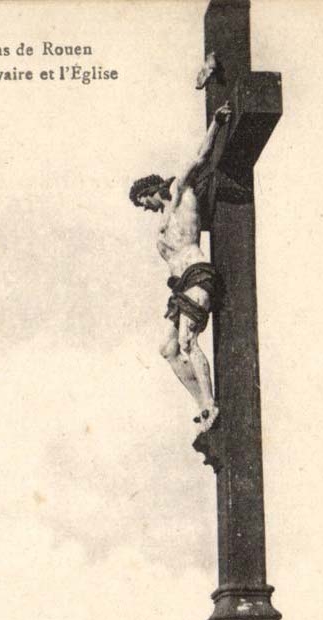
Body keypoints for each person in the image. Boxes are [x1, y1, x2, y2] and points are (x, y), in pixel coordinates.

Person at [130, 103, 231, 431]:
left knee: (189, 342)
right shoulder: (162, 222)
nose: (143, 209)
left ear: (149, 192)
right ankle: (202, 404)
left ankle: (212, 404)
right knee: (169, 349)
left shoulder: (180, 195)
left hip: (197, 273)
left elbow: (199, 159)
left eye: (141, 202)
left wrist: (216, 123)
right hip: (180, 286)